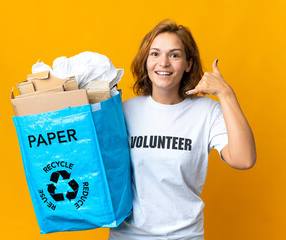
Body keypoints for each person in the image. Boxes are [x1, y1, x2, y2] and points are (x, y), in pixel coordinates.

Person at [109, 19, 256, 240]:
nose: (164, 63)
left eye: (174, 55)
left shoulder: (207, 112)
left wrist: (226, 94)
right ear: (145, 61)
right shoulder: (124, 111)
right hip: (128, 235)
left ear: (188, 64)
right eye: (155, 54)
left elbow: (244, 159)